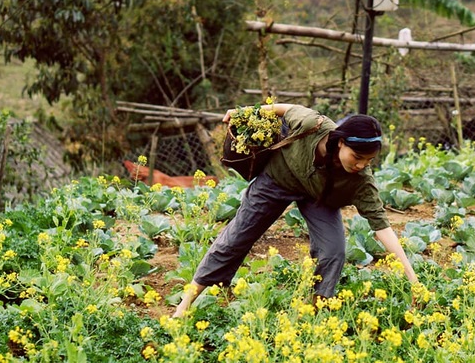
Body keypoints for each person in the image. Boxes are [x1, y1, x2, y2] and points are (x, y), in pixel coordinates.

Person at [173, 103, 417, 317]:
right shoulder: (313, 124)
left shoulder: (361, 180)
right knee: (235, 239)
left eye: (369, 160)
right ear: (341, 142)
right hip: (278, 180)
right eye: (357, 157)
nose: (362, 164)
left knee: (333, 251)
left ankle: (317, 311)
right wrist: (244, 113)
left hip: (317, 198)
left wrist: (412, 279)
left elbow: (382, 227)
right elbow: (285, 109)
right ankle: (184, 305)